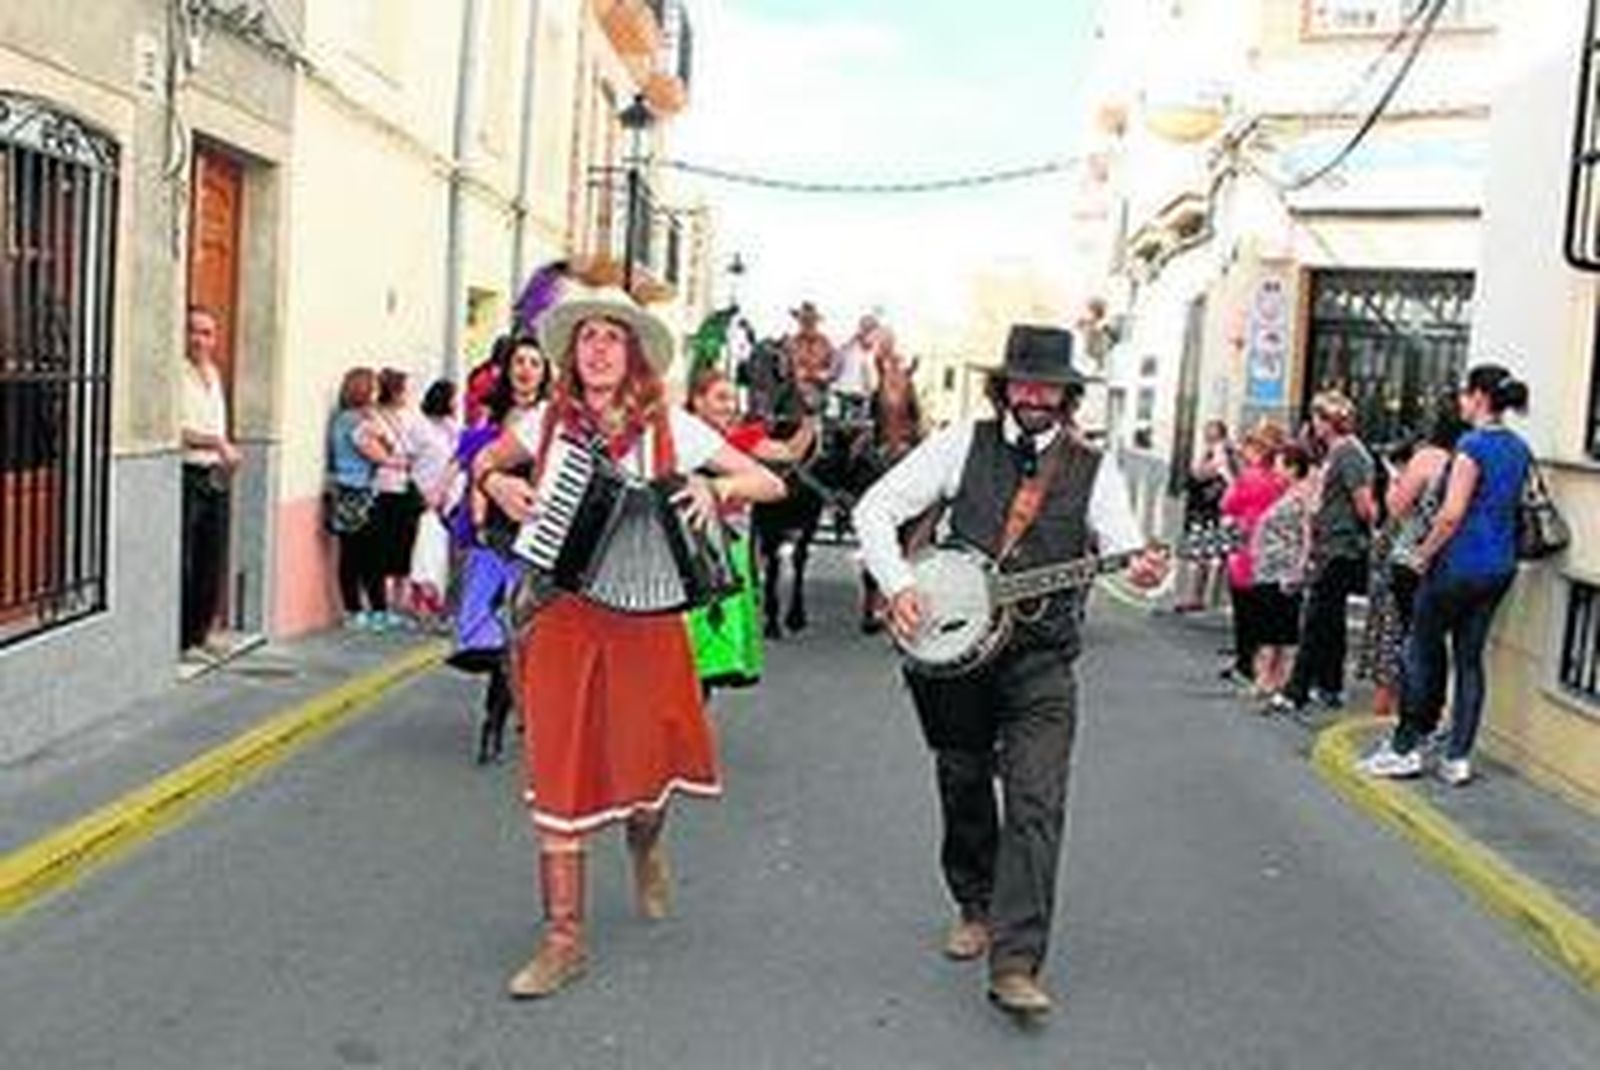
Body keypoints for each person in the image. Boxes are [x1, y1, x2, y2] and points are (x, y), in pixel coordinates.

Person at [473, 287, 785, 999]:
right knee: (557, 772)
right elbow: (486, 458)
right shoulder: (542, 424)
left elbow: (767, 481)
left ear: (634, 354)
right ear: (571, 356)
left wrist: (718, 491)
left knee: (644, 778)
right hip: (560, 613)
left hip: (647, 623)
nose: (600, 348)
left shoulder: (669, 428)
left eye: (614, 337)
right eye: (587, 338)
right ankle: (563, 939)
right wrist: (496, 481)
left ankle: (645, 842)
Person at [852, 324, 1167, 1018]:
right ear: (1005, 388)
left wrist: (1145, 571)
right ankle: (974, 899)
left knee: (1036, 803)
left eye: (1046, 385)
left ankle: (1018, 960)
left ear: (1066, 395)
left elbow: (1126, 558)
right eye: (1021, 382)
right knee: (962, 778)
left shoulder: (1094, 468)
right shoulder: (963, 444)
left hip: (1043, 663)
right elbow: (874, 509)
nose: (1033, 395)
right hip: (957, 654)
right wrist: (899, 583)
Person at [1361, 365, 1533, 786]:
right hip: (1500, 566)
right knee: (1470, 661)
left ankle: (1405, 749)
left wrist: (1422, 554)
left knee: (1421, 650)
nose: (1460, 400)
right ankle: (1458, 758)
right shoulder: (1519, 447)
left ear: (1478, 397)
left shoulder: (1472, 445)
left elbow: (1452, 513)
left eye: (1464, 393)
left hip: (1457, 565)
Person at [448, 335, 547, 765]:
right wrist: (482, 523)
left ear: (545, 373)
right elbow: (478, 474)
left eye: (534, 363)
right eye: (519, 362)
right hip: (498, 535)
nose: (526, 370)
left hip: (540, 536)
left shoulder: (556, 420)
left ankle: (522, 715)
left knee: (529, 639)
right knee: (499, 635)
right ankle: (493, 722)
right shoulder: (492, 420)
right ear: (508, 371)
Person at [683, 368, 814, 692]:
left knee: (709, 652)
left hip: (727, 545)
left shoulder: (740, 437)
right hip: (691, 547)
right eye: (721, 398)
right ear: (697, 401)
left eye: (733, 398)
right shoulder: (683, 433)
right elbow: (791, 453)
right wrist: (811, 423)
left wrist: (809, 424)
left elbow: (787, 458)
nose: (730, 406)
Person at [1269, 391, 1376, 714]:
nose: (1313, 425)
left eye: (1317, 418)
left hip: (1340, 547)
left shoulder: (1350, 454)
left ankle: (1295, 690)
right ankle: (1329, 684)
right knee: (1330, 620)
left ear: (1327, 422)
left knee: (1316, 619)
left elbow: (1365, 505)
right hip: (1330, 544)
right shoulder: (1337, 453)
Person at [1368, 395, 1468, 718]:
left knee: (1406, 639)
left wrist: (1394, 482)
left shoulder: (1427, 459)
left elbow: (1396, 507)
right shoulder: (1469, 461)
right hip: (1453, 561)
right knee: (1437, 643)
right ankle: (1432, 713)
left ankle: (1405, 716)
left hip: (1412, 557)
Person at [179, 306, 241, 661]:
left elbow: (217, 426)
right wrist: (216, 443)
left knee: (211, 556)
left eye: (207, 333)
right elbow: (175, 430)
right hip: (188, 472)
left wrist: (224, 453)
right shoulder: (177, 373)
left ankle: (201, 634)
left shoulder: (214, 374)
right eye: (193, 331)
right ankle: (183, 641)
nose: (200, 339)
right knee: (186, 558)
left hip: (215, 474)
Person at [1219, 425, 1290, 691]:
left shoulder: (1249, 478)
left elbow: (1227, 504)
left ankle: (1245, 663)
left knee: (1244, 612)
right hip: (1274, 552)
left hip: (1247, 549)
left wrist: (1231, 475)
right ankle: (1266, 668)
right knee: (1268, 614)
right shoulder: (1283, 479)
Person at [325, 367, 393, 628]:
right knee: (369, 555)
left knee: (350, 554)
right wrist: (379, 428)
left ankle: (353, 610)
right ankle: (373, 610)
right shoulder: (358, 422)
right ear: (364, 390)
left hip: (342, 489)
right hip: (361, 492)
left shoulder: (340, 419)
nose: (377, 393)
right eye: (374, 388)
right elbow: (382, 454)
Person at [1250, 442, 1317, 699]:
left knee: (1279, 629)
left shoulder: (1302, 496)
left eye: (1279, 465)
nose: (1275, 471)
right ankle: (1270, 678)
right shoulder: (1289, 494)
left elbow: (1307, 534)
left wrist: (1300, 567)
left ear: (1292, 467)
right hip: (1269, 568)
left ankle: (1274, 678)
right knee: (1272, 627)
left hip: (1283, 570)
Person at [370, 368, 424, 625]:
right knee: (387, 545)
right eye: (405, 389)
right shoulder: (376, 418)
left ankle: (397, 603)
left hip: (401, 488)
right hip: (386, 488)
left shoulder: (407, 418)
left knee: (403, 544)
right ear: (395, 391)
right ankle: (388, 603)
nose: (409, 394)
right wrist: (401, 460)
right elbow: (382, 453)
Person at [406, 379, 460, 624]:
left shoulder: (451, 426)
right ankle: (421, 602)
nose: (457, 402)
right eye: (453, 397)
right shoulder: (419, 426)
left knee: (443, 552)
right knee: (424, 550)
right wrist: (424, 492)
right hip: (424, 495)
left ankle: (438, 602)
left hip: (449, 497)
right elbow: (407, 458)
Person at [1175, 419, 1236, 613]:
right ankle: (1198, 597)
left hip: (1217, 511)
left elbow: (1202, 474)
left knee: (1216, 556)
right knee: (1201, 555)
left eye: (1213, 434)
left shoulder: (1225, 455)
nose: (1209, 438)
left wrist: (1215, 460)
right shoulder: (1208, 453)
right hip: (1200, 509)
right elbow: (1193, 476)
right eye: (1207, 434)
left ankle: (1211, 598)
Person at [783, 300, 836, 403]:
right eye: (804, 321)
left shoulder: (825, 342)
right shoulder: (792, 343)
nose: (807, 325)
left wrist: (823, 374)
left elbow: (834, 366)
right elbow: (785, 369)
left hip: (820, 389)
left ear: (816, 323)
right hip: (796, 393)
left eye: (810, 321)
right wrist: (796, 373)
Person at [832, 312, 881, 419]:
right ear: (864, 333)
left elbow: (872, 384)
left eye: (876, 336)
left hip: (864, 399)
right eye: (874, 336)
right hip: (846, 396)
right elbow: (834, 372)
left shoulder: (871, 354)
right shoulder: (847, 350)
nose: (875, 340)